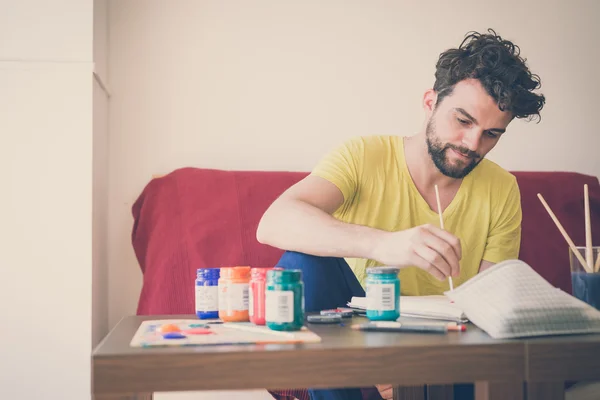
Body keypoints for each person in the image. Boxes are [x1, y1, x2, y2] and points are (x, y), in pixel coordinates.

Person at [257, 29, 545, 400]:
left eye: (491, 133)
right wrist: (384, 244)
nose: (473, 145)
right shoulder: (363, 155)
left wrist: (417, 368)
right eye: (463, 120)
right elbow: (274, 221)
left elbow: (489, 311)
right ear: (430, 102)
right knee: (302, 263)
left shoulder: (502, 188)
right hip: (357, 349)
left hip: (445, 358)